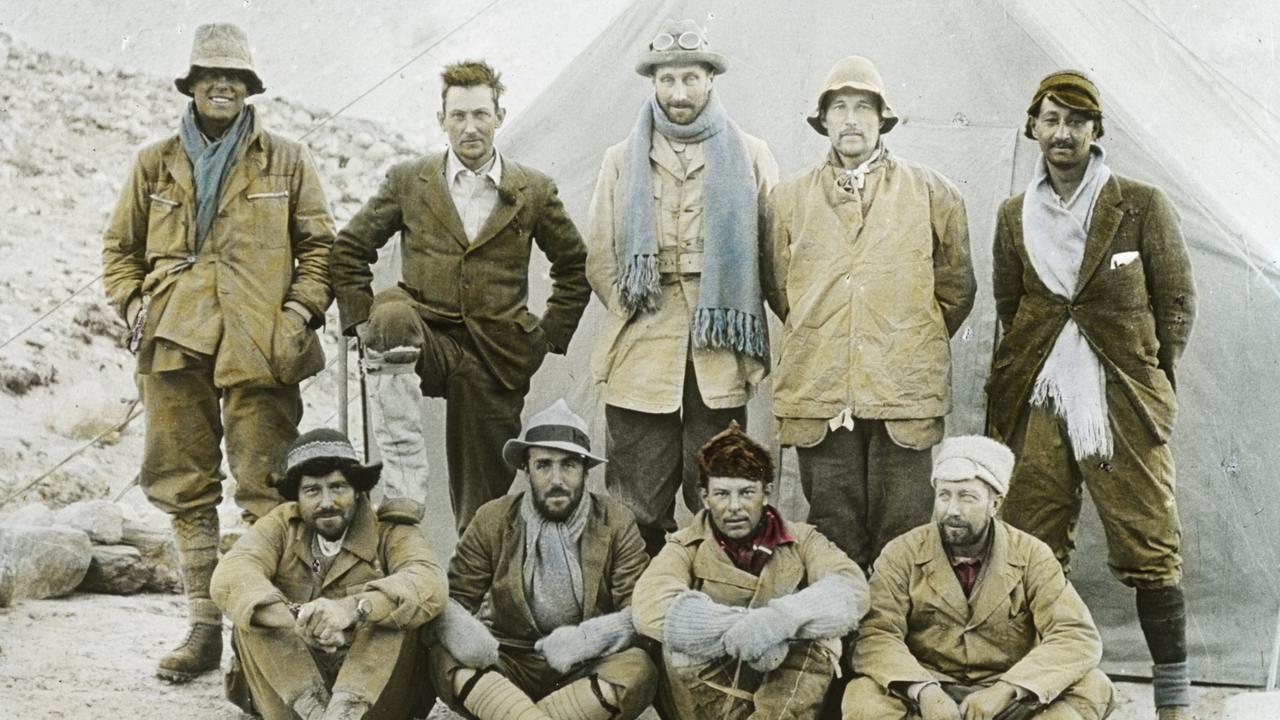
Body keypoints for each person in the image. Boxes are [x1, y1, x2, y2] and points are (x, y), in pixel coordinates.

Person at [100, 23, 334, 681]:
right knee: (184, 485)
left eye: (234, 77)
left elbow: (321, 249)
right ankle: (203, 629)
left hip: (262, 344)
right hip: (175, 342)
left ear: (249, 87)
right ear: (193, 85)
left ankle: (257, 639)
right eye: (210, 76)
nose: (222, 86)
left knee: (266, 489)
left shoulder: (285, 160)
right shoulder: (154, 162)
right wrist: (132, 303)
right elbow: (119, 251)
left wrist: (297, 312)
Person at [985, 70, 1196, 720]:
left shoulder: (1139, 204)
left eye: (1076, 121)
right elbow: (1009, 303)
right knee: (1032, 543)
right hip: (1040, 396)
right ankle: (1047, 685)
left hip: (1121, 402)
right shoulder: (1015, 215)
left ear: (1096, 132)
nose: (1062, 133)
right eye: (1050, 119)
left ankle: (1174, 699)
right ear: (1033, 127)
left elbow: (1177, 302)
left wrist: (1145, 376)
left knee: (1149, 543)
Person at [330, 60, 591, 532]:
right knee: (390, 317)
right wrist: (360, 326)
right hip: (425, 336)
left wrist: (547, 335)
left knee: (483, 501)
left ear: (499, 116)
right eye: (458, 116)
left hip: (497, 354)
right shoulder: (410, 179)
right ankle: (404, 481)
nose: (470, 128)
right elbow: (349, 249)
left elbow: (574, 265)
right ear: (441, 120)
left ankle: (478, 590)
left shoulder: (532, 189)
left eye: (480, 115)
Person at [763, 56, 975, 570]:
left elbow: (956, 288)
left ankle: (893, 641)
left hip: (903, 387)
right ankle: (843, 645)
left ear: (883, 118)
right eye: (839, 108)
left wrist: (902, 335)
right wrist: (830, 335)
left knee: (902, 529)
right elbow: (778, 288)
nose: (852, 120)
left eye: (864, 107)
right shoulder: (787, 199)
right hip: (820, 386)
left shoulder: (932, 192)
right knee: (833, 526)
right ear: (824, 121)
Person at [586, 18, 779, 556]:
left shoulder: (752, 155)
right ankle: (634, 605)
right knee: (633, 497)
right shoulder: (622, 159)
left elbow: (770, 256)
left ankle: (713, 591)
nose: (678, 93)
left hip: (719, 346)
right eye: (667, 80)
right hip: (642, 347)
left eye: (690, 78)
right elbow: (600, 256)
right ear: (652, 83)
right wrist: (638, 308)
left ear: (711, 80)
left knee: (720, 489)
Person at [843, 435, 1114, 720]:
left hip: (1005, 696)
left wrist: (1007, 689)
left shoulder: (1032, 554)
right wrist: (924, 690)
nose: (953, 510)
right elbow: (876, 633)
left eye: (967, 497)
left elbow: (1075, 635)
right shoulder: (902, 553)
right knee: (863, 695)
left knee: (1094, 687)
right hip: (929, 695)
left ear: (995, 504)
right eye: (944, 495)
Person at [425, 399, 657, 720]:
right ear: (526, 468)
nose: (557, 479)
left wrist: (584, 641)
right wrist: (472, 639)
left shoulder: (616, 521)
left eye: (569, 465)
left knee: (640, 669)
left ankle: (511, 715)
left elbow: (638, 611)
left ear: (585, 470)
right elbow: (455, 600)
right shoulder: (492, 518)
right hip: (508, 662)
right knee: (443, 657)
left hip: (584, 665)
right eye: (544, 465)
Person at [632, 422, 867, 719]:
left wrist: (778, 620)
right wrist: (742, 628)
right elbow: (649, 605)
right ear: (705, 497)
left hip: (783, 692)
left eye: (746, 493)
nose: (734, 507)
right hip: (712, 689)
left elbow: (851, 587)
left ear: (766, 493)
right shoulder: (685, 546)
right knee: (677, 638)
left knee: (824, 636)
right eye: (721, 494)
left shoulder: (802, 539)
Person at [209, 429, 445, 720]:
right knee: (253, 611)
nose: (326, 502)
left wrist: (351, 610)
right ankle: (317, 713)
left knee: (395, 610)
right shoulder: (281, 526)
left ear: (358, 491)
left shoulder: (390, 531)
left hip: (374, 693)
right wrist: (298, 619)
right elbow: (231, 573)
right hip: (293, 692)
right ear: (296, 496)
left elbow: (428, 580)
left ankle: (342, 713)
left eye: (337, 488)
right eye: (312, 491)